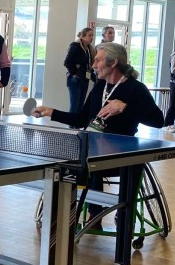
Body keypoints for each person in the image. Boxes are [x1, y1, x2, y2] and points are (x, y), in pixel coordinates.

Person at [34, 42, 164, 223]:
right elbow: (82, 119)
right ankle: (92, 215)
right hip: (95, 150)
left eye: (98, 60)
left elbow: (158, 121)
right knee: (83, 159)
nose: (93, 65)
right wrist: (51, 112)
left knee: (134, 162)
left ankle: (124, 215)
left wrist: (125, 107)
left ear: (113, 63)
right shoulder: (99, 86)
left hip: (122, 153)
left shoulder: (136, 88)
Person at [63, 27, 96, 113]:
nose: (91, 37)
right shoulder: (75, 46)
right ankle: (71, 122)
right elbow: (67, 62)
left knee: (80, 106)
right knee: (74, 106)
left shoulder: (89, 49)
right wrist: (74, 73)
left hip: (85, 78)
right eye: (89, 35)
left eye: (92, 35)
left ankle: (77, 122)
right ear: (83, 36)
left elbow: (88, 65)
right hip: (76, 80)